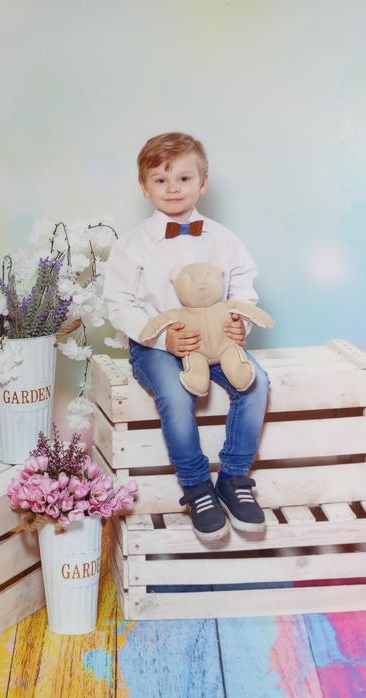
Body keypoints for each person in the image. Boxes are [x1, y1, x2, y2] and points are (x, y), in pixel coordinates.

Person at [103, 132, 270, 541]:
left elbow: (243, 290)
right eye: (160, 180)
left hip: (217, 341)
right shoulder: (132, 245)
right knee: (177, 396)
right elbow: (118, 303)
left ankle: (233, 477)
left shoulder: (224, 239)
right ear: (144, 186)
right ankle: (196, 485)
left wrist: (239, 324)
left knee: (256, 383)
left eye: (183, 178)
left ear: (203, 182)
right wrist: (165, 341)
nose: (173, 188)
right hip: (157, 345)